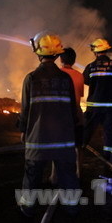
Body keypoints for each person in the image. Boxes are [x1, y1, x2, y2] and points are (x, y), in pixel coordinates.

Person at [18, 31, 80, 217]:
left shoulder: (31, 79)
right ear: (57, 54)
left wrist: (23, 130)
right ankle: (72, 209)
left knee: (32, 176)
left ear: (39, 53)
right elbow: (72, 108)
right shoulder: (65, 79)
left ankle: (27, 209)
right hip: (63, 139)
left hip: (38, 139)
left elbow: (25, 110)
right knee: (68, 175)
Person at [82, 39, 112, 160]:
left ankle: (79, 152)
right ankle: (108, 158)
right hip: (110, 107)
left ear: (95, 51)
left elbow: (86, 81)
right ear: (107, 50)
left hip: (94, 107)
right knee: (109, 134)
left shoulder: (90, 67)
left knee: (86, 132)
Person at [49, 47, 84, 182]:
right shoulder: (79, 75)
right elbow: (79, 96)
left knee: (56, 145)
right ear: (74, 60)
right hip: (77, 114)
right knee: (78, 147)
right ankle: (78, 174)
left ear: (60, 59)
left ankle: (54, 176)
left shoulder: (56, 75)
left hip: (59, 116)